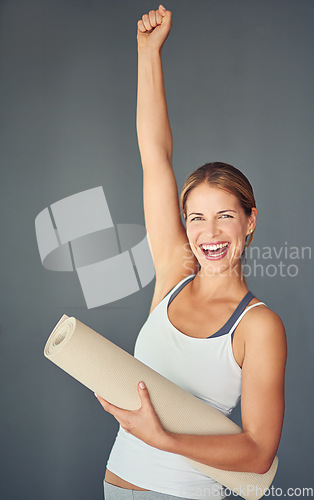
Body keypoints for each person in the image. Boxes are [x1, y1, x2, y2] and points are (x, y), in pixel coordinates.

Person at [95, 5, 287, 500]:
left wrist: (165, 439)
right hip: (115, 487)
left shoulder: (258, 327)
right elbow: (154, 155)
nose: (209, 232)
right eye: (196, 218)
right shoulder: (174, 272)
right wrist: (147, 53)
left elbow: (259, 450)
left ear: (250, 220)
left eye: (225, 215)